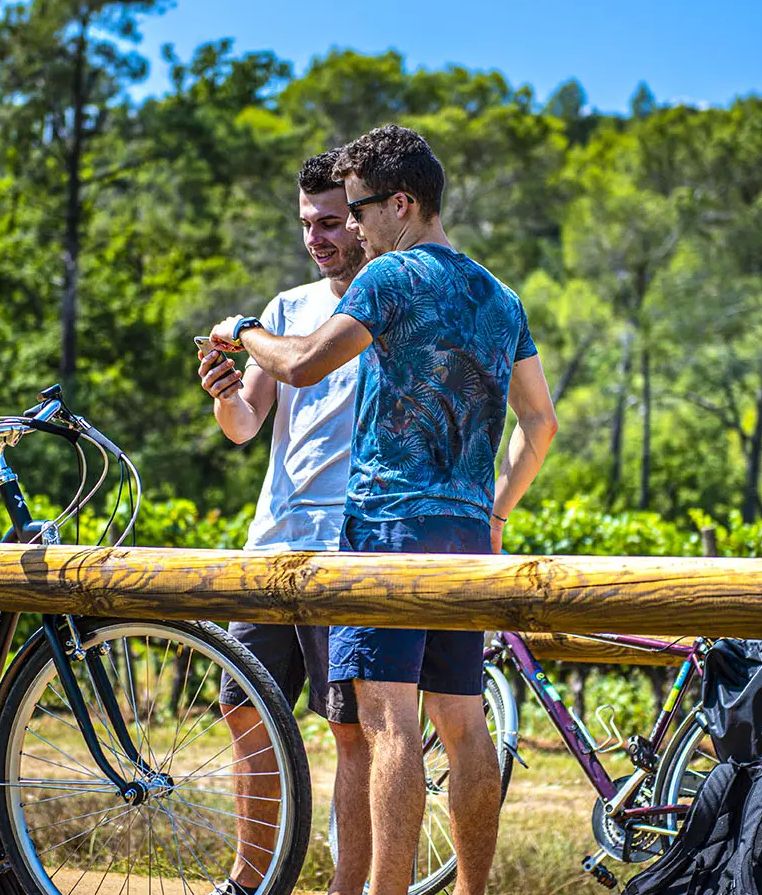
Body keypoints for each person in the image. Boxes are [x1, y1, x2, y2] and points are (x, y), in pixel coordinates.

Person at [208, 124, 558, 895]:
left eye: (359, 210)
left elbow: (299, 363)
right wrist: (496, 511)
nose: (354, 228)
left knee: (390, 726)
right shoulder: (499, 296)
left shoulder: (390, 276)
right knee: (464, 725)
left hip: (385, 530)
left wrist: (242, 332)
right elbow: (542, 423)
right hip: (465, 532)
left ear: (402, 203)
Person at [198, 150, 373, 895]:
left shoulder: (384, 299)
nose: (317, 237)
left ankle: (347, 887)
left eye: (331, 221)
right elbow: (245, 425)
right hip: (272, 539)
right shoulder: (284, 306)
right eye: (306, 223)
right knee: (243, 712)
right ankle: (251, 882)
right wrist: (222, 391)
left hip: (348, 545)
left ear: (364, 218)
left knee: (350, 730)